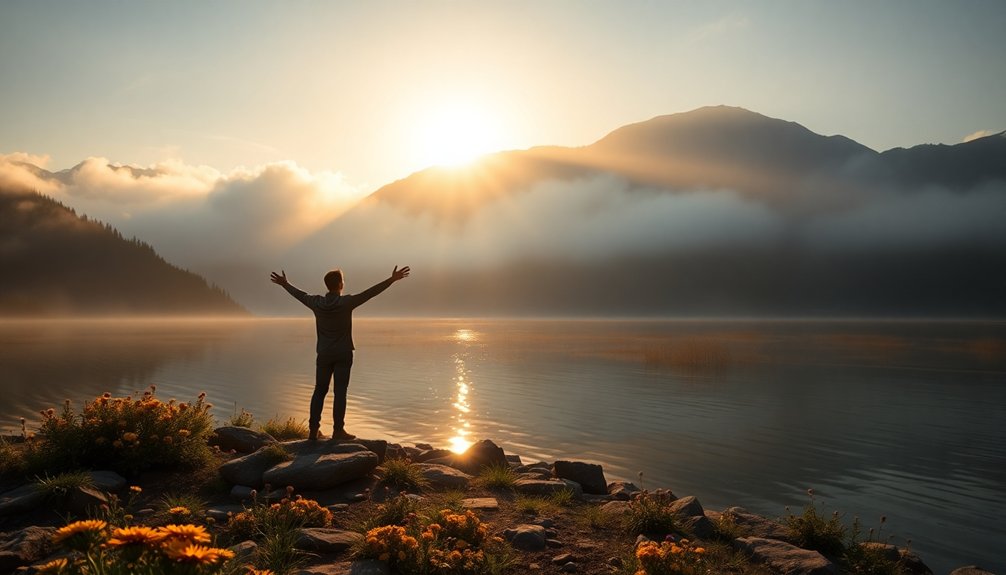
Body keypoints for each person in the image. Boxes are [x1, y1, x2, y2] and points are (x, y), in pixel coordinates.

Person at [270, 265, 411, 441]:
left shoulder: (316, 303)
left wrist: (285, 284)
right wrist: (391, 280)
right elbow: (370, 293)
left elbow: (299, 294)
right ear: (340, 285)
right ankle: (338, 431)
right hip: (343, 353)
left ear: (327, 285)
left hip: (324, 353)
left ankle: (313, 431)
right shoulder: (347, 302)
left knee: (319, 391)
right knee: (340, 392)